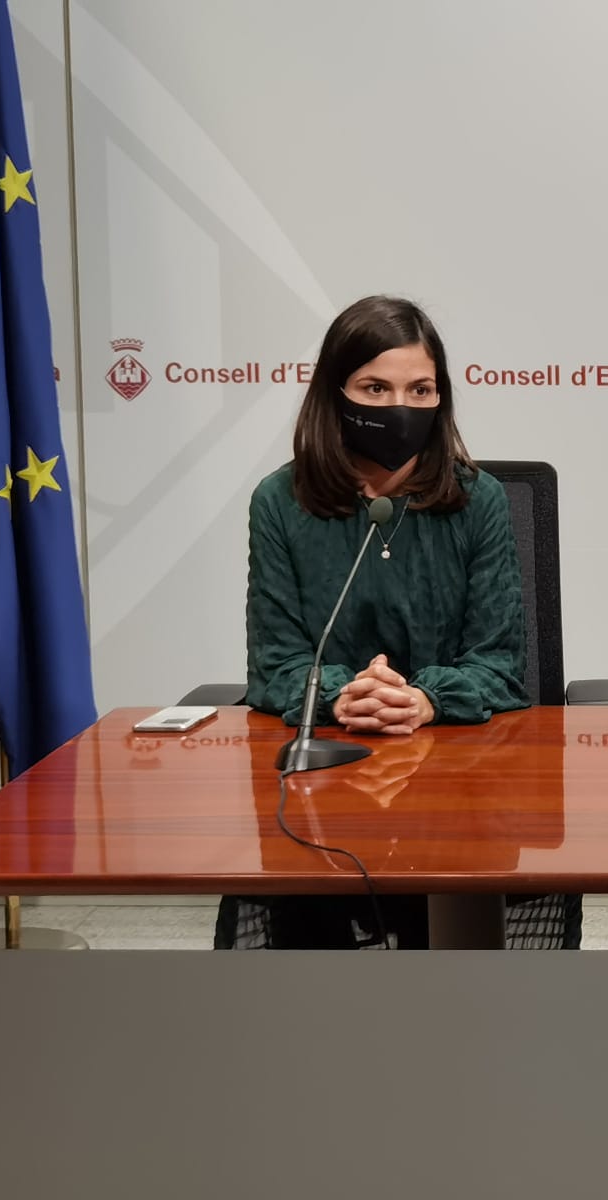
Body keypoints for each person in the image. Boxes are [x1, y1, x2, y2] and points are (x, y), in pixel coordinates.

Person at [230, 294, 531, 949]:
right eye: (376, 388)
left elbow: (499, 664)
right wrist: (345, 695)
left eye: (420, 389)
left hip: (455, 782)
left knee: (447, 971)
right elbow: (276, 664)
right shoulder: (280, 502)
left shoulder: (477, 501)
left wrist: (422, 700)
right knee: (315, 973)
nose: (401, 407)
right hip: (325, 777)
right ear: (334, 394)